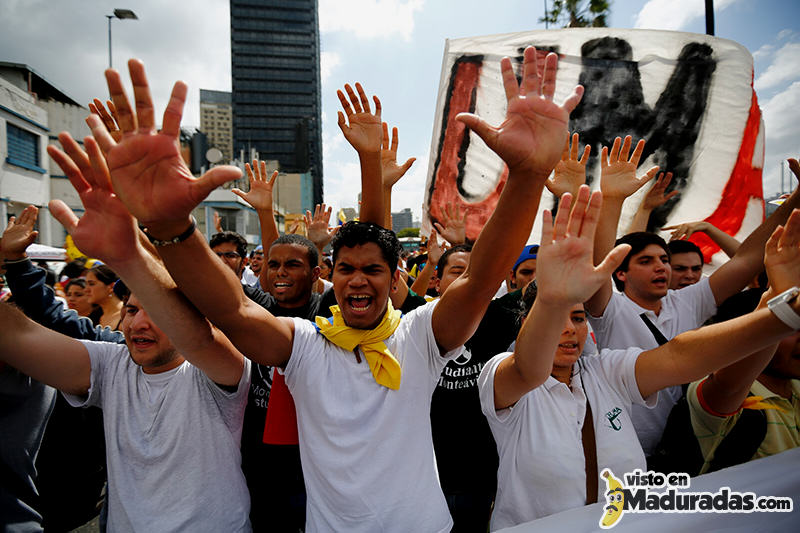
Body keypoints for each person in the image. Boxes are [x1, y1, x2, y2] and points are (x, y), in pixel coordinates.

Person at [88, 48, 582, 531]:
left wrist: (529, 175)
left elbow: (479, 281)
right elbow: (234, 310)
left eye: (373, 269)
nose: (358, 279)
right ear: (333, 276)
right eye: (346, 269)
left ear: (395, 281)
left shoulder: (419, 336)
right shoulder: (304, 346)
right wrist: (171, 228)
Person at [479, 187, 800, 529]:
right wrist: (553, 301)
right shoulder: (501, 375)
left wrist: (781, 308)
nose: (569, 330)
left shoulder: (605, 371)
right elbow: (528, 369)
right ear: (524, 324)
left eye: (578, 317)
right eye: (556, 317)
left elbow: (679, 358)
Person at [0, 129, 254, 531]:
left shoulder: (221, 373)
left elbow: (201, 339)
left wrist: (128, 251)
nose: (137, 321)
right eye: (132, 310)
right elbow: (17, 338)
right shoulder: (112, 363)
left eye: (154, 310)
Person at [586, 137, 800, 457]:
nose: (661, 267)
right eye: (646, 261)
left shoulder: (687, 302)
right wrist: (614, 199)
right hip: (624, 453)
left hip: (686, 447)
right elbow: (597, 270)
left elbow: (744, 260)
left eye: (663, 260)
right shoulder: (610, 309)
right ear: (621, 273)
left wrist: (796, 200)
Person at [85, 263, 123, 329]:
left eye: (91, 284)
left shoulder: (128, 315)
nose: (86, 290)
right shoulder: (93, 317)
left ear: (111, 287)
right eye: (86, 284)